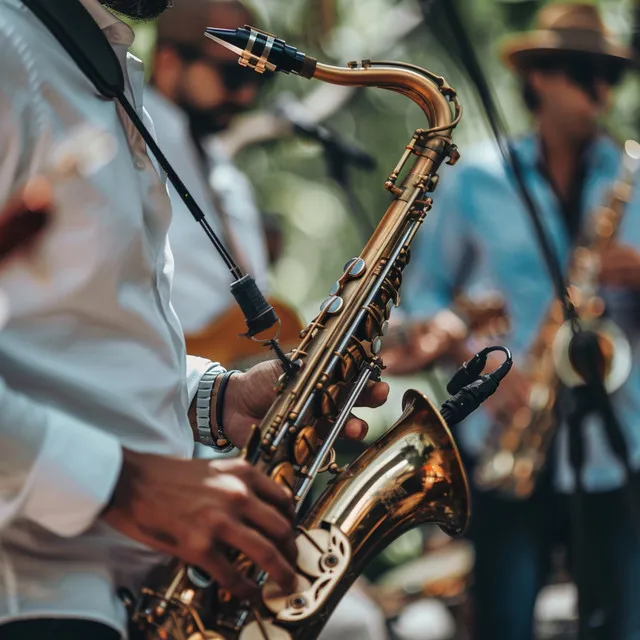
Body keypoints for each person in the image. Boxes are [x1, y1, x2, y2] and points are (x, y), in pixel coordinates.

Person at [0, 1, 388, 638]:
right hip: (37, 594)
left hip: (128, 592)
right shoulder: (12, 50)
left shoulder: (102, 64)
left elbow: (72, 344)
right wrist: (122, 485)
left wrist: (213, 397)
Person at [399, 4, 640, 639]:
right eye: (583, 71)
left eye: (610, 75)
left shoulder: (633, 179)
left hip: (618, 447)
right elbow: (421, 302)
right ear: (536, 77)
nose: (601, 90)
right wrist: (482, 373)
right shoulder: (475, 179)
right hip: (510, 447)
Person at [145, 0, 270, 335]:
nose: (246, 95)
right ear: (169, 62)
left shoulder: (223, 168)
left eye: (259, 80)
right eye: (233, 74)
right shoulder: (126, 143)